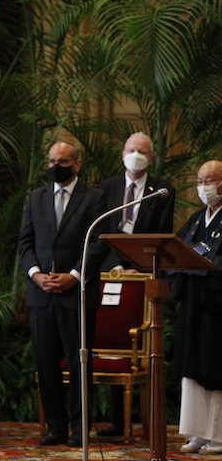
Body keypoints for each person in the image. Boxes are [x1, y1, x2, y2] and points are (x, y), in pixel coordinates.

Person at [18, 141, 105, 447]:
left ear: (76, 164)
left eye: (63, 161)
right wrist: (36, 274)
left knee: (79, 360)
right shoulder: (35, 197)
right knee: (45, 361)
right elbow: (25, 243)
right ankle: (55, 426)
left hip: (76, 294)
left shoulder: (95, 197)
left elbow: (98, 243)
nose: (56, 165)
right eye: (52, 160)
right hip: (42, 295)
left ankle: (80, 428)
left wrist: (74, 276)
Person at [94, 132, 175, 438]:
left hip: (142, 276)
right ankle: (117, 420)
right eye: (131, 149)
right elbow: (102, 230)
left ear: (151, 158)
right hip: (109, 275)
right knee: (114, 344)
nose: (136, 154)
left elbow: (160, 234)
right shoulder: (106, 187)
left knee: (143, 348)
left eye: (142, 151)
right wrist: (113, 265)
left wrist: (133, 265)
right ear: (122, 153)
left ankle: (149, 422)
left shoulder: (162, 190)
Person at [173, 160, 222, 454]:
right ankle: (197, 432)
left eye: (210, 180)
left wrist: (205, 269)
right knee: (192, 364)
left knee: (215, 365)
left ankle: (218, 433)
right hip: (194, 302)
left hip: (217, 305)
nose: (204, 186)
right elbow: (176, 248)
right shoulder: (194, 220)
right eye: (200, 180)